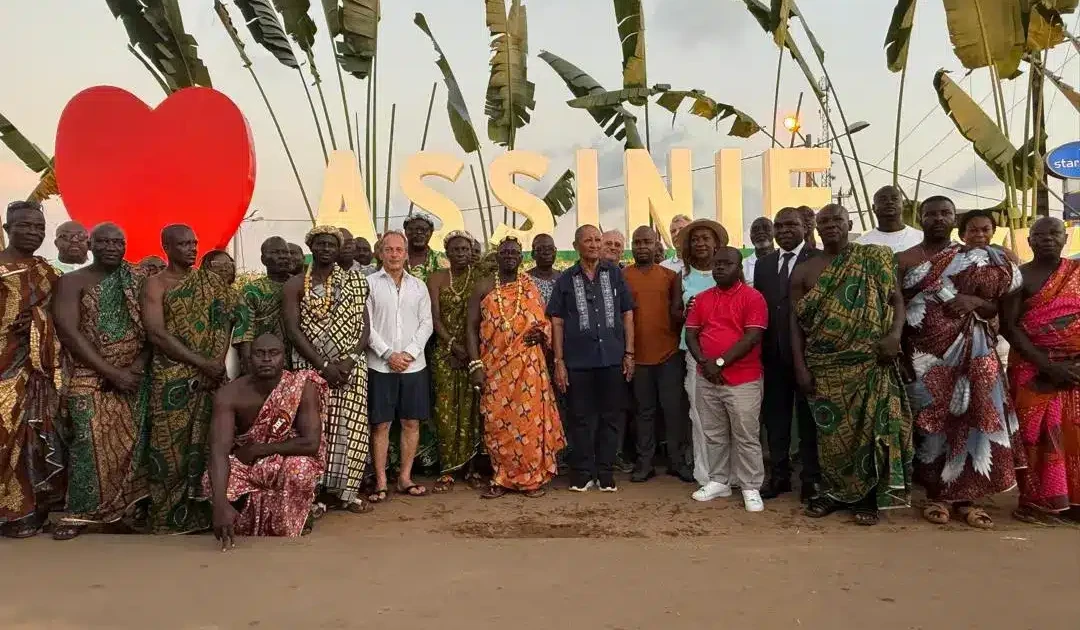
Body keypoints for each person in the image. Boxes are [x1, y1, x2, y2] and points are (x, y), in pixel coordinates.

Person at [898, 196, 1022, 530]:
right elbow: (893, 310)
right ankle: (936, 495)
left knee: (973, 420)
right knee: (929, 424)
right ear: (920, 218)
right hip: (922, 357)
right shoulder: (904, 260)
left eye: (946, 213)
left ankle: (968, 498)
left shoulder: (973, 257)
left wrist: (977, 301)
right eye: (931, 213)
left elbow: (997, 306)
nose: (938, 218)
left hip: (972, 351)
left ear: (954, 220)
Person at [791, 204, 912, 526]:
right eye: (824, 221)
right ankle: (835, 492)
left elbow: (896, 300)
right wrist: (801, 367)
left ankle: (868, 497)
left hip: (871, 362)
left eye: (837, 220)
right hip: (825, 366)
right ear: (815, 227)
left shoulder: (874, 258)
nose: (831, 225)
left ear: (850, 224)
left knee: (870, 430)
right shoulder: (805, 270)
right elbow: (794, 324)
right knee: (832, 436)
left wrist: (895, 336)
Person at [51, 223, 150, 540]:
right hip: (89, 371)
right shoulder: (71, 282)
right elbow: (69, 332)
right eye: (103, 241)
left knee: (132, 444)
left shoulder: (137, 280)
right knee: (86, 439)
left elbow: (153, 329)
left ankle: (121, 512)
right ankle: (81, 514)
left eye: (118, 241)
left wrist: (134, 367)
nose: (111, 246)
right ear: (90, 245)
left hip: (134, 376)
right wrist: (111, 372)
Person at [142, 224, 238, 533]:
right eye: (183, 244)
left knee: (208, 444)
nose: (192, 248)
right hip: (171, 376)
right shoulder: (154, 285)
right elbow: (156, 333)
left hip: (210, 377)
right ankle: (167, 518)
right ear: (166, 247)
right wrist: (202, 363)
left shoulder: (211, 282)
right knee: (168, 447)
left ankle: (204, 512)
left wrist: (215, 363)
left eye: (194, 243)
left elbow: (224, 322)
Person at [206, 334, 328, 546]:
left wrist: (260, 449)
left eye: (273, 353)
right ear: (247, 359)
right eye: (259, 354)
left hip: (287, 457)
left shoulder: (300, 387)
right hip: (250, 463)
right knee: (212, 480)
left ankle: (293, 525)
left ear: (284, 358)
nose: (266, 359)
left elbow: (311, 443)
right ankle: (238, 522)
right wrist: (219, 503)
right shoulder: (229, 394)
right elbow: (219, 450)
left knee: (298, 469)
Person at [467, 237, 565, 498]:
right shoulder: (483, 286)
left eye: (514, 252)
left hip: (529, 368)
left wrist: (542, 334)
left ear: (522, 258)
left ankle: (531, 479)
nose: (509, 256)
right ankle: (500, 478)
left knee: (529, 424)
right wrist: (475, 363)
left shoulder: (529, 285)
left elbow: (544, 321)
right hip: (495, 367)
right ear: (497, 257)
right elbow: (471, 327)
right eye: (505, 252)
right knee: (497, 421)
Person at [284, 226, 372, 514]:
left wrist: (346, 362)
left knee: (352, 428)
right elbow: (293, 330)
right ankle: (316, 494)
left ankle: (347, 493)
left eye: (330, 245)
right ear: (311, 248)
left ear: (338, 250)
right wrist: (323, 366)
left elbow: (364, 328)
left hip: (350, 367)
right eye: (319, 244)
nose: (325, 249)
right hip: (311, 367)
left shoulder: (355, 282)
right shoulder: (296, 284)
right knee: (316, 429)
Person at [547, 225, 635, 492]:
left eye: (598, 240)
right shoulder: (565, 279)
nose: (595, 245)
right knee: (580, 418)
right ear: (576, 246)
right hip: (578, 361)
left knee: (610, 417)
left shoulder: (616, 276)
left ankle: (605, 473)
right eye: (589, 240)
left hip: (611, 358)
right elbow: (557, 322)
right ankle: (583, 473)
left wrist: (629, 353)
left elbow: (627, 314)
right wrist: (559, 361)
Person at [1003, 217, 1080, 521]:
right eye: (1039, 234)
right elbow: (1009, 327)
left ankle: (1074, 502)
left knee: (1075, 433)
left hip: (1076, 366)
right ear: (1030, 241)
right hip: (1032, 366)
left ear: (1065, 238)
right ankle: (1039, 502)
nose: (1047, 238)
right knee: (1036, 436)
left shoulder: (1076, 272)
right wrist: (1046, 365)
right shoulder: (1018, 278)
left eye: (1054, 233)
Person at [685, 246, 767, 511]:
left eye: (727, 263)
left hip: (743, 379)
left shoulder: (753, 298)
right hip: (707, 378)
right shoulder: (702, 298)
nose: (719, 268)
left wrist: (719, 363)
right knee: (714, 433)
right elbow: (691, 335)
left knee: (745, 435)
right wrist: (705, 364)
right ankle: (718, 481)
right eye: (716, 263)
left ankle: (750, 486)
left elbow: (752, 336)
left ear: (739, 268)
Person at [0, 200, 63, 538]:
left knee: (30, 439)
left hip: (32, 369)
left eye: (39, 227)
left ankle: (22, 513)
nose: (34, 232)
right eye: (26, 226)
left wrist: (40, 323)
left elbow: (60, 318)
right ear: (8, 229)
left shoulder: (47, 273)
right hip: (3, 363)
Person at [753, 207, 820, 502]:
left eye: (791, 224)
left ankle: (811, 480)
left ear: (805, 227)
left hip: (809, 356)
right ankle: (779, 476)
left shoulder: (818, 260)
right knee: (776, 420)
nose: (784, 231)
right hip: (773, 356)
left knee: (809, 422)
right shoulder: (764, 265)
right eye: (778, 226)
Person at [366, 231, 434, 500]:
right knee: (380, 424)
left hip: (414, 366)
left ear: (406, 254)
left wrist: (409, 353)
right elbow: (366, 325)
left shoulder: (419, 286)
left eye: (398, 250)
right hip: (380, 366)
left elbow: (426, 323)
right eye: (389, 249)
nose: (394, 254)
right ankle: (381, 480)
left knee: (410, 423)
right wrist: (387, 354)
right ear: (380, 253)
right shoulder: (368, 284)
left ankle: (405, 477)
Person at [624, 226, 691, 482]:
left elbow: (678, 314)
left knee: (674, 411)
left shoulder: (670, 276)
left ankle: (677, 461)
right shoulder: (623, 276)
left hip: (669, 355)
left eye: (647, 242)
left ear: (656, 245)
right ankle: (645, 463)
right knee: (644, 412)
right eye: (637, 242)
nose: (642, 247)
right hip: (638, 359)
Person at [673, 218, 729, 487]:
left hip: (729, 356)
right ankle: (706, 473)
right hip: (695, 355)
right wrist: (687, 311)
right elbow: (673, 315)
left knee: (728, 414)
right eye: (695, 239)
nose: (700, 243)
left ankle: (731, 473)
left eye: (706, 238)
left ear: (716, 243)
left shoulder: (728, 272)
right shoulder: (681, 277)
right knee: (700, 414)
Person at [427, 231, 482, 493]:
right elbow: (434, 319)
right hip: (444, 353)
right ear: (447, 253)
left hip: (473, 353)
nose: (461, 254)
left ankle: (471, 469)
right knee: (446, 410)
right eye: (456, 250)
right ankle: (448, 469)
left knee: (472, 409)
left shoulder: (480, 280)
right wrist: (452, 346)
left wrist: (468, 352)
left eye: (465, 249)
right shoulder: (436, 278)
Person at [235, 237, 293, 375]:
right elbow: (244, 332)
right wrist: (249, 365)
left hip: (295, 359)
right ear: (263, 259)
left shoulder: (299, 285)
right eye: (276, 252)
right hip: (262, 361)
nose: (283, 257)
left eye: (286, 252)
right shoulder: (252, 290)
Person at [856, 186, 923, 253]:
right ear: (874, 208)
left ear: (902, 205)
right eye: (883, 199)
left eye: (895, 199)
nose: (889, 202)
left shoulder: (922, 239)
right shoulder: (860, 245)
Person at [404, 213, 445, 281]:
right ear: (406, 232)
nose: (419, 233)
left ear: (431, 233)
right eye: (414, 229)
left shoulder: (440, 258)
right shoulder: (394, 256)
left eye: (424, 230)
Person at [527, 233, 561, 304]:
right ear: (533, 254)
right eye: (541, 249)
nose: (547, 252)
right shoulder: (524, 280)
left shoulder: (564, 278)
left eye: (551, 249)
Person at [743, 217, 775, 288]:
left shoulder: (785, 261)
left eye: (766, 228)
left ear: (775, 232)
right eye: (755, 230)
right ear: (750, 236)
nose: (760, 232)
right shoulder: (742, 266)